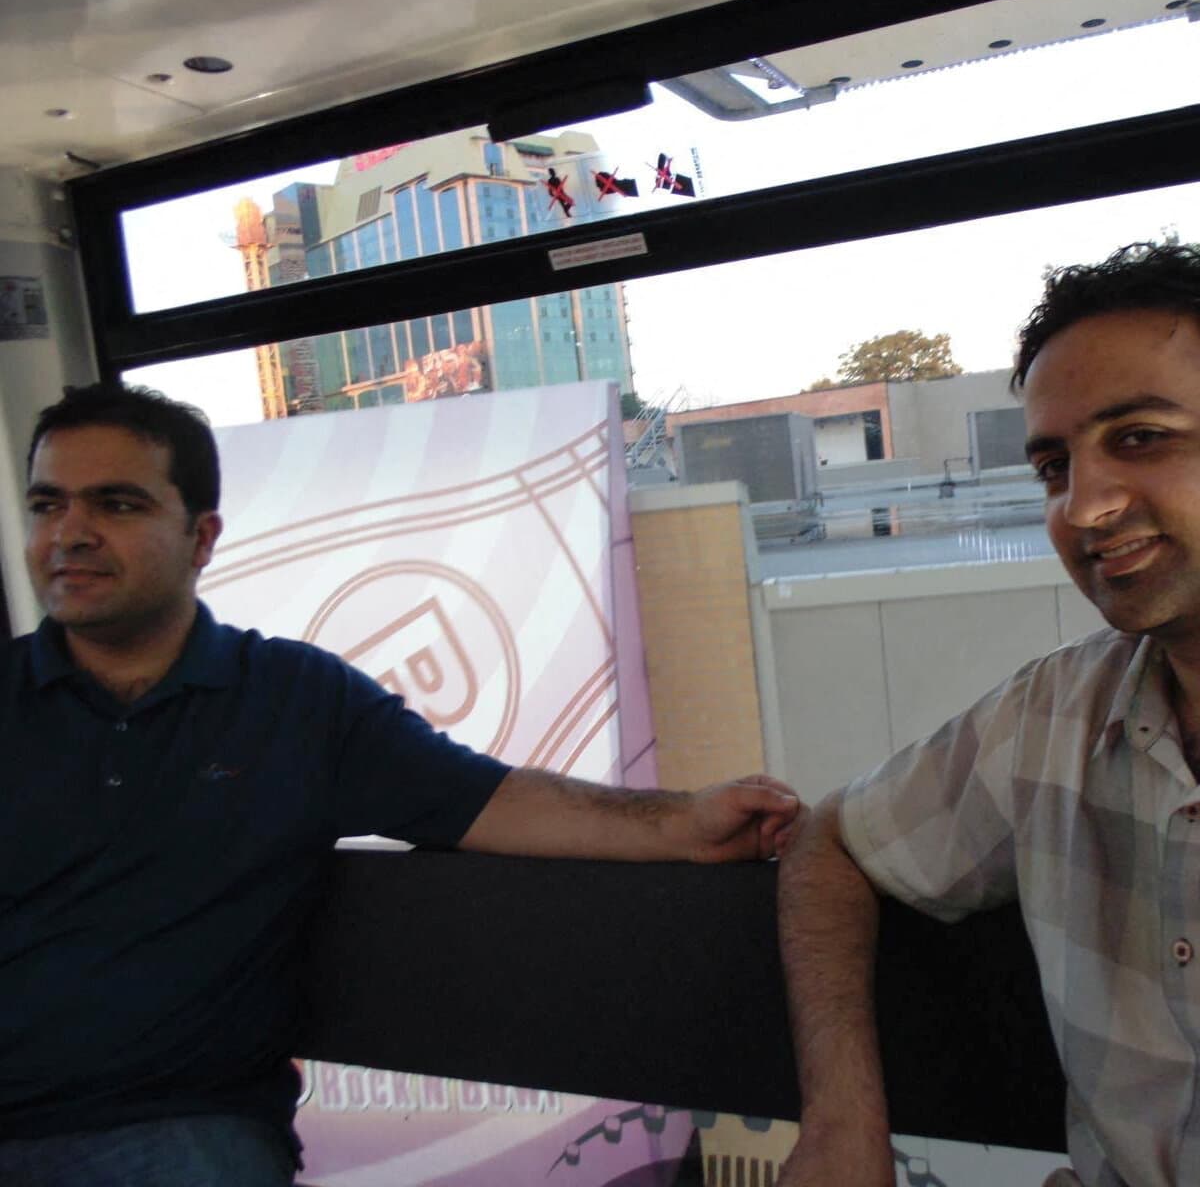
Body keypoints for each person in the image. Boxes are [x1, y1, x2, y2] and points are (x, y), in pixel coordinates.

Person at [0, 383, 800, 1186]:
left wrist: (683, 822)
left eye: (116, 505)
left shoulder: (293, 702)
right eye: (47, 505)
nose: (71, 533)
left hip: (173, 1126)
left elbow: (490, 801)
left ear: (201, 536)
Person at [778, 240, 1200, 1187]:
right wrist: (843, 1121)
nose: (1085, 507)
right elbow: (834, 842)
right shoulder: (1055, 717)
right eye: (1055, 466)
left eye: (1141, 437)